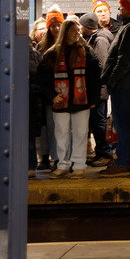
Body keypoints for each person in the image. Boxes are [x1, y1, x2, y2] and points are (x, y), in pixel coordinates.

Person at [38, 19, 101, 179]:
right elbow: (42, 78)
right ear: (66, 32)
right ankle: (62, 165)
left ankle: (79, 165)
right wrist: (52, 95)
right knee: (61, 134)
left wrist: (93, 98)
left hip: (82, 101)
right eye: (74, 30)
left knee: (81, 133)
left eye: (79, 30)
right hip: (60, 101)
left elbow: (95, 76)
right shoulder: (51, 54)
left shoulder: (87, 51)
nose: (78, 33)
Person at [100, 0, 130, 177]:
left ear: (127, 9)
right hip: (127, 83)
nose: (119, 11)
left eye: (121, 7)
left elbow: (125, 59)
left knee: (121, 124)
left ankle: (122, 162)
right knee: (123, 123)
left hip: (124, 84)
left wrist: (111, 81)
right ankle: (121, 161)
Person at [79, 12, 115, 167]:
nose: (80, 28)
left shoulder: (99, 41)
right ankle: (101, 151)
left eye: (81, 25)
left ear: (87, 26)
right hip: (97, 88)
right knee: (96, 121)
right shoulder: (95, 38)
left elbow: (101, 65)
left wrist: (96, 86)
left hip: (99, 89)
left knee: (98, 121)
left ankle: (105, 153)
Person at [36, 4, 64, 171]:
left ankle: (56, 158)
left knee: (56, 128)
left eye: (59, 24)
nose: (56, 28)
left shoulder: (66, 45)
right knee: (46, 127)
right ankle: (46, 158)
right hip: (47, 93)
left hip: (61, 92)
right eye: (53, 25)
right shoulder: (42, 47)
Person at [28, 38, 43, 178]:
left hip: (29, 100)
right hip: (33, 100)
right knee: (30, 136)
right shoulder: (35, 55)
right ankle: (30, 166)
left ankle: (30, 165)